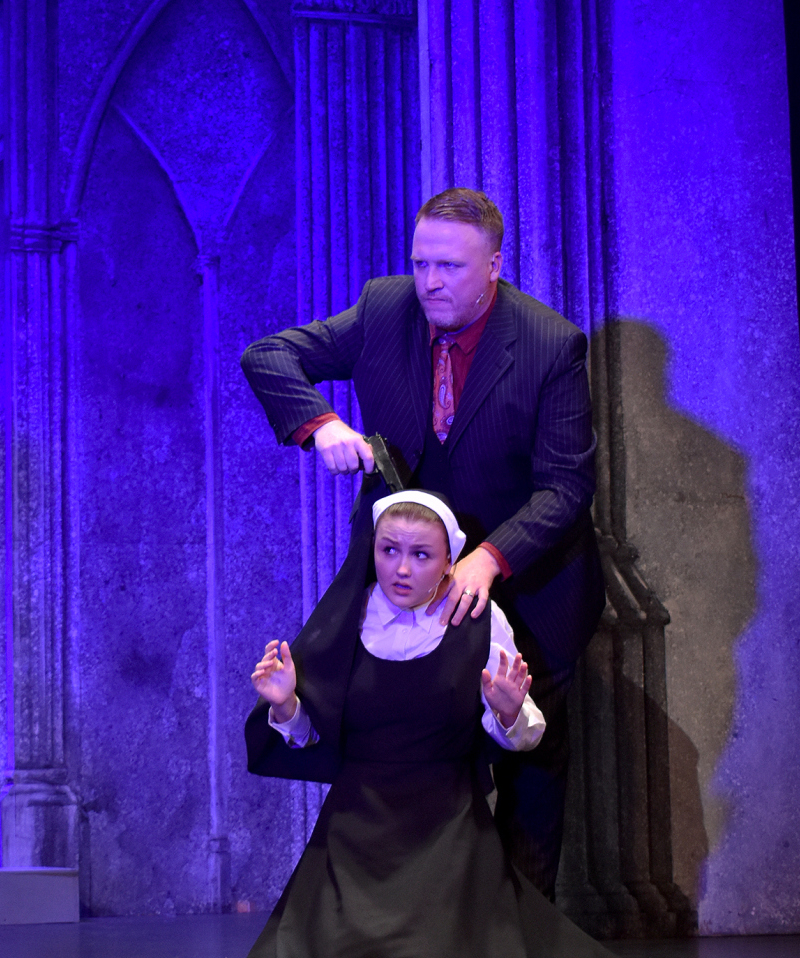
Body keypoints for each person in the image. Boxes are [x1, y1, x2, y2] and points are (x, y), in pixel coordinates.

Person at [241, 188, 603, 899]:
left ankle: (519, 932)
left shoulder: (549, 345)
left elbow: (566, 487)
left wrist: (489, 558)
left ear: (493, 266)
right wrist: (321, 424)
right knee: (404, 751)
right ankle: (417, 923)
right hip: (412, 586)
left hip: (532, 586)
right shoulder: (386, 310)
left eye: (450, 267)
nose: (430, 282)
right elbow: (269, 354)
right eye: (420, 263)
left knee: (528, 761)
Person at [194, 492, 645, 958]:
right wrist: (287, 703)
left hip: (447, 830)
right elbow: (310, 736)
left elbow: (524, 735)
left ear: (450, 560)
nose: (401, 568)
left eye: (421, 554)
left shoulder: (479, 619)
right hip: (355, 833)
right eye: (389, 550)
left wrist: (506, 711)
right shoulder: (348, 618)